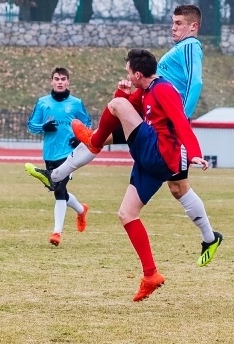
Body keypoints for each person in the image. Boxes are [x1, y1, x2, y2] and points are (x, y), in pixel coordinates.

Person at [24, 5, 210, 248]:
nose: (173, 27)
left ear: (193, 26)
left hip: (165, 128)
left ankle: (78, 151)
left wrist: (181, 119)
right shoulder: (176, 53)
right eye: (172, 22)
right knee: (174, 185)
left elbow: (195, 82)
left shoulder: (190, 47)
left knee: (177, 187)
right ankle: (58, 173)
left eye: (178, 23)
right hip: (153, 118)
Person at [83, 48, 220, 301]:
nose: (126, 75)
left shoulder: (164, 89)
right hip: (150, 161)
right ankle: (150, 275)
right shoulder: (144, 91)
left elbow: (180, 121)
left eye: (128, 73)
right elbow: (119, 111)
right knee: (126, 214)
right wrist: (122, 92)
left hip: (159, 152)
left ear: (137, 73)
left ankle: (94, 142)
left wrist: (194, 152)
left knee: (117, 104)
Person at [26, 67, 92, 247]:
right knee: (58, 189)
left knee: (59, 188)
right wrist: (43, 127)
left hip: (70, 155)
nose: (60, 82)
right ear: (52, 81)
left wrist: (78, 137)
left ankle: (57, 232)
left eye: (63, 79)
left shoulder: (76, 103)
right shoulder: (42, 103)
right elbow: (31, 125)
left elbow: (88, 124)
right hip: (50, 154)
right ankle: (81, 209)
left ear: (68, 81)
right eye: (57, 79)